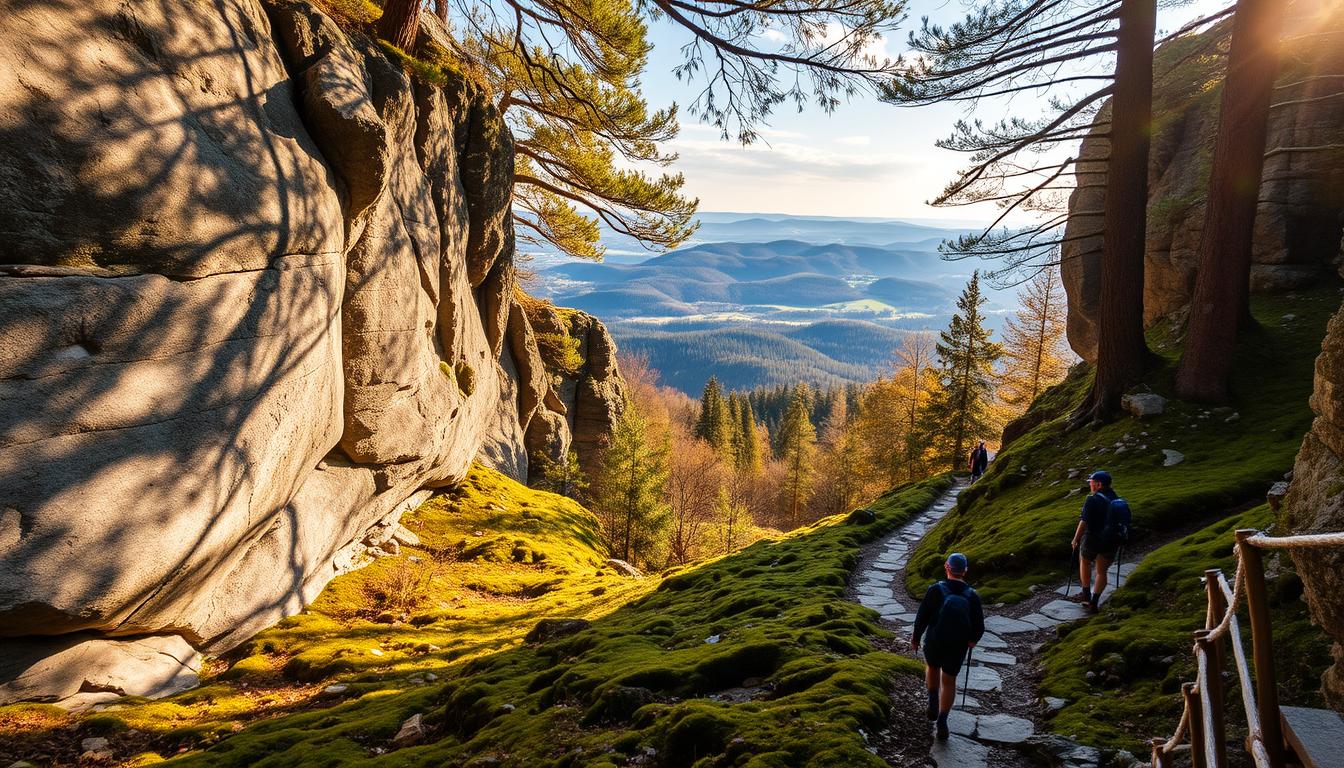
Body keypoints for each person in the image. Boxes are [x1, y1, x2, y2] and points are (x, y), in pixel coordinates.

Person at [911, 552, 985, 740]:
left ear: (947, 567)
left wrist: (916, 638)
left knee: (933, 667)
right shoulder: (972, 596)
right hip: (957, 645)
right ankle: (943, 720)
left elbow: (922, 617)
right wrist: (972, 641)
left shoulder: (935, 590)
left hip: (935, 639)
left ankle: (933, 699)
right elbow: (979, 626)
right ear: (965, 571)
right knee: (949, 680)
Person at [1071, 470, 1119, 612]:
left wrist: (1075, 539)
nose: (1090, 484)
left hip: (1092, 538)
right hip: (1110, 539)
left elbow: (1084, 521)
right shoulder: (1116, 498)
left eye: (1091, 482)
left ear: (1098, 484)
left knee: (1084, 561)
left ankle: (1086, 595)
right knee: (1101, 571)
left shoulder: (1091, 499)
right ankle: (1094, 601)